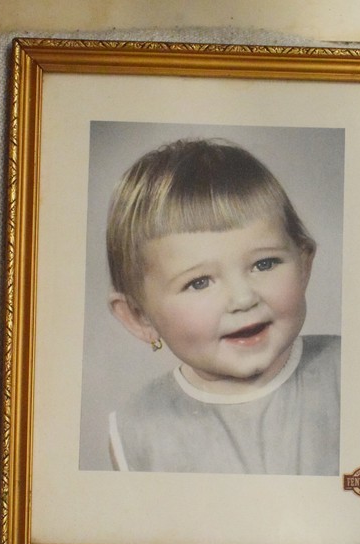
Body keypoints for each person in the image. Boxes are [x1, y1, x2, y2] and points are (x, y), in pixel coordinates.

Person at [106, 138, 340, 475]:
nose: (244, 299)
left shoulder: (354, 374)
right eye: (199, 282)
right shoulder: (136, 432)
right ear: (140, 317)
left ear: (304, 264)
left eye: (265, 264)